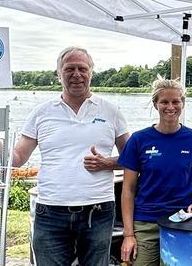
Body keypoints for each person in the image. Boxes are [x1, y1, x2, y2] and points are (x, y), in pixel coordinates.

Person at [12, 46, 130, 266]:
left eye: (82, 69)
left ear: (91, 73)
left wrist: (107, 163)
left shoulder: (111, 111)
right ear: (59, 74)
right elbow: (18, 157)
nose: (77, 74)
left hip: (98, 210)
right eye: (69, 69)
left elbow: (132, 158)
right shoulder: (41, 112)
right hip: (50, 210)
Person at [119, 77, 192, 266]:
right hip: (146, 224)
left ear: (183, 103)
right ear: (156, 104)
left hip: (182, 222)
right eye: (164, 102)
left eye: (175, 101)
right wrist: (128, 234)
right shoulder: (139, 139)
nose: (170, 107)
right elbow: (128, 190)